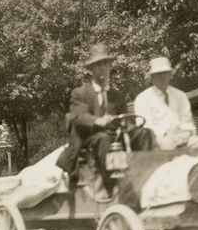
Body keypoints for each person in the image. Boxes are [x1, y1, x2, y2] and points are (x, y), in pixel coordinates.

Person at [56, 44, 151, 192]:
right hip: (89, 138)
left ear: (109, 67)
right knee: (103, 138)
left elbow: (127, 120)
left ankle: (145, 177)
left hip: (115, 136)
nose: (103, 69)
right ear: (91, 69)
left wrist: (129, 126)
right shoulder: (80, 93)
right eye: (98, 65)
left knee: (145, 133)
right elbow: (78, 116)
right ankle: (110, 186)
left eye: (105, 64)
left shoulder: (117, 96)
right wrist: (97, 120)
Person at [133, 57, 198, 151]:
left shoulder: (180, 95)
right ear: (152, 78)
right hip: (158, 140)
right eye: (158, 75)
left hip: (182, 138)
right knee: (168, 146)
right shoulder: (143, 98)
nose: (162, 78)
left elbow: (188, 122)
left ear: (170, 75)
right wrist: (167, 135)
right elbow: (145, 128)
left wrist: (184, 135)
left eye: (165, 74)